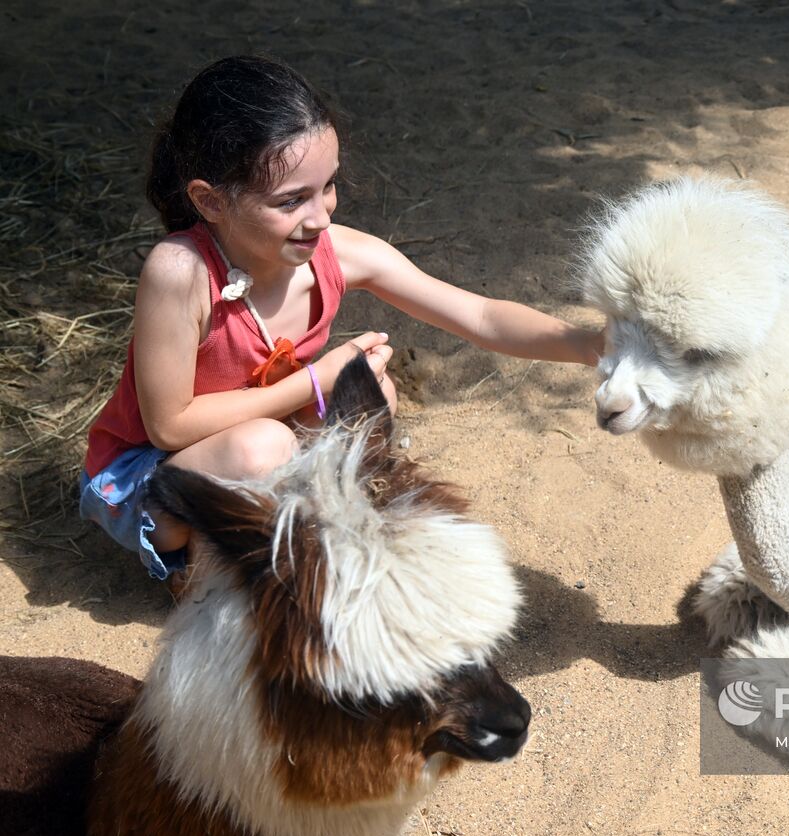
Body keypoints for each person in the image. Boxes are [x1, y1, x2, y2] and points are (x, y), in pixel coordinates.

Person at [80, 55, 602, 582]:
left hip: (261, 443)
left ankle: (296, 544)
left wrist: (590, 344)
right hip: (151, 477)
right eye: (292, 201)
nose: (322, 216)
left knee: (370, 395)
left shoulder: (336, 251)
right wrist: (316, 379)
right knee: (265, 446)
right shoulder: (180, 272)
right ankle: (200, 578)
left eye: (327, 186)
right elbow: (169, 426)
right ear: (210, 201)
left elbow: (481, 316)